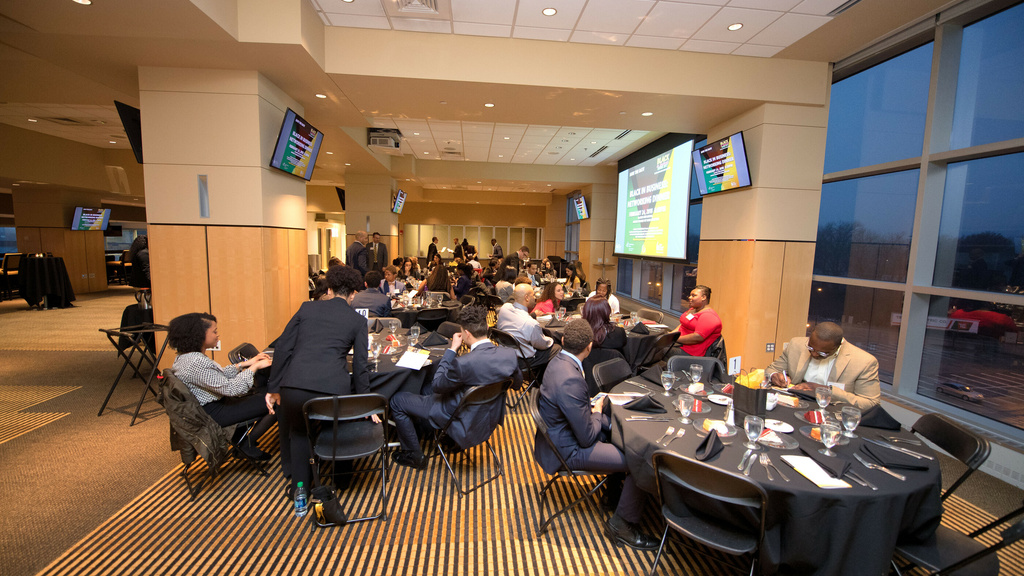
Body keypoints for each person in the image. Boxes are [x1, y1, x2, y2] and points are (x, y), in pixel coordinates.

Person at [534, 319, 658, 551]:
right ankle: (621, 525)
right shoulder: (570, 378)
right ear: (589, 346)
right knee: (639, 459)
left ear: (562, 341)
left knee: (618, 434)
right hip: (567, 449)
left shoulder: (558, 360)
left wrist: (592, 408)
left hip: (559, 434)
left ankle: (612, 497)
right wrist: (598, 411)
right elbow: (587, 437)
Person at [266, 265, 369, 494]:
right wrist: (366, 402)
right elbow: (361, 366)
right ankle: (341, 480)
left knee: (300, 434)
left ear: (329, 289)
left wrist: (273, 388)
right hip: (331, 390)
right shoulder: (357, 321)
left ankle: (300, 488)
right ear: (353, 293)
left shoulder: (306, 309)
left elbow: (282, 347)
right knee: (338, 428)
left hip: (294, 387)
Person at [389, 305, 522, 469]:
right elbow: (516, 385)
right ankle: (437, 435)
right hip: (487, 416)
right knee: (425, 389)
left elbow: (438, 385)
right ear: (487, 327)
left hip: (457, 416)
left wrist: (452, 350)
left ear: (466, 333)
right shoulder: (509, 355)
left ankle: (413, 455)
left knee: (397, 400)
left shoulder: (463, 363)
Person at [168, 312, 275, 461]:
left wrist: (244, 364)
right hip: (215, 413)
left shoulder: (185, 357)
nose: (217, 335)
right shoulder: (196, 363)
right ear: (199, 335)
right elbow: (232, 389)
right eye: (214, 331)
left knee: (266, 391)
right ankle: (245, 444)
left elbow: (217, 376)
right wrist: (254, 367)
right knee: (279, 398)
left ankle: (242, 438)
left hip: (213, 406)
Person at [767, 321, 881, 410]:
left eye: (822, 353)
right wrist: (774, 375)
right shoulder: (796, 345)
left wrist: (826, 390)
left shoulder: (864, 362)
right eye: (811, 348)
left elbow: (871, 403)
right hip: (793, 406)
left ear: (838, 346)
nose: (814, 354)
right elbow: (771, 369)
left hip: (832, 414)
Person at [496, 283, 559, 369]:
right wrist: (551, 339)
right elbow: (543, 345)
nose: (535, 298)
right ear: (526, 297)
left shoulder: (504, 308)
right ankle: (543, 379)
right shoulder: (530, 323)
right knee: (557, 347)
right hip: (523, 361)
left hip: (504, 354)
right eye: (533, 295)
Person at [675, 285, 721, 356]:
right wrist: (669, 335)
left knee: (658, 350)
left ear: (703, 297)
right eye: (690, 295)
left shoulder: (709, 316)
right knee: (655, 345)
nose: (690, 297)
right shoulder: (693, 310)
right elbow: (683, 325)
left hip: (690, 352)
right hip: (679, 344)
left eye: (694, 295)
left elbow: (698, 337)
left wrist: (674, 339)